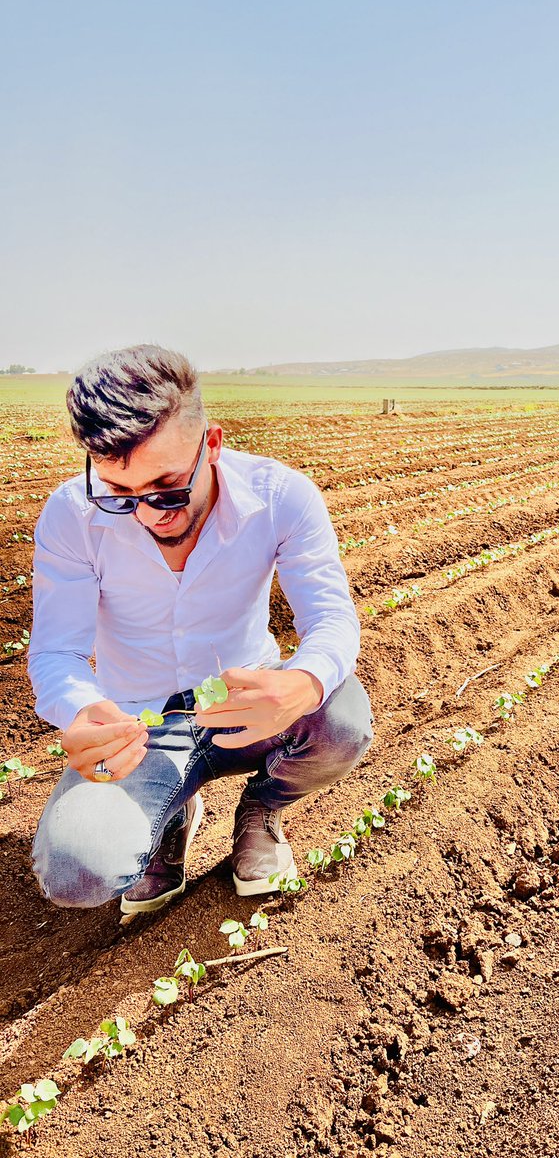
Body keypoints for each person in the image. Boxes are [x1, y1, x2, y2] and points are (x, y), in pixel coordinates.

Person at [28, 344, 372, 915]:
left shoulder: (280, 496)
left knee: (342, 715)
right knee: (75, 875)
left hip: (245, 702)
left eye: (166, 487)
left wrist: (305, 682)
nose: (145, 512)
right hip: (140, 726)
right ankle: (169, 813)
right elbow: (57, 652)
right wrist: (80, 709)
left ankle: (262, 810)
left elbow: (332, 618)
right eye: (119, 493)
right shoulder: (71, 516)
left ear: (211, 444)